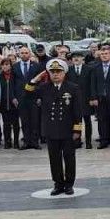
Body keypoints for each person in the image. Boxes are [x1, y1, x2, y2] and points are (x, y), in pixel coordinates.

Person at [24, 58, 83, 196]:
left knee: (69, 158)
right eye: (52, 72)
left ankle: (69, 184)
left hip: (67, 129)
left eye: (58, 72)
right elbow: (28, 92)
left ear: (64, 73)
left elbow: (77, 110)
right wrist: (37, 78)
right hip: (51, 128)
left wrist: (77, 129)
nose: (55, 74)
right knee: (54, 159)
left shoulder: (72, 87)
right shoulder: (44, 87)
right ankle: (58, 184)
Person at [88, 45, 110, 149]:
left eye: (106, 54)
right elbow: (93, 84)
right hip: (100, 98)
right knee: (102, 119)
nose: (104, 56)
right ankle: (103, 140)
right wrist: (93, 97)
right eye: (102, 54)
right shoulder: (95, 68)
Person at [11, 47, 42, 150]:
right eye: (22, 53)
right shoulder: (14, 66)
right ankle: (26, 141)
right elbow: (12, 83)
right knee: (24, 121)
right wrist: (13, 97)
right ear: (19, 54)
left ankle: (34, 142)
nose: (24, 54)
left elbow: (40, 82)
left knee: (35, 120)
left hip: (33, 97)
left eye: (26, 53)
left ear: (30, 54)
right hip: (20, 97)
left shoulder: (36, 66)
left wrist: (39, 96)